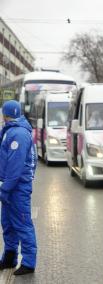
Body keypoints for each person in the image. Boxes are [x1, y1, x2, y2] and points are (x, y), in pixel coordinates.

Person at [0, 100, 37, 276]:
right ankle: (9, 257)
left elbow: (15, 167)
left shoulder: (19, 134)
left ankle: (29, 262)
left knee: (22, 224)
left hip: (17, 188)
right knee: (8, 224)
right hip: (10, 186)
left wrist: (4, 189)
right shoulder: (12, 130)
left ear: (5, 114)